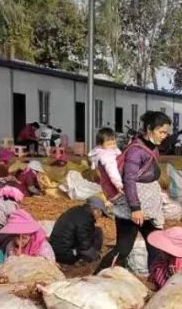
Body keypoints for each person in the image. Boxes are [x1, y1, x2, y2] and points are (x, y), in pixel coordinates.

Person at [96, 110, 171, 273]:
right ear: (149, 129)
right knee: (123, 249)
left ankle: (156, 279)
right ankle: (96, 276)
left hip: (149, 208)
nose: (164, 136)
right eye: (161, 132)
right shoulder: (136, 151)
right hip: (132, 208)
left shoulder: (152, 148)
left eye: (166, 133)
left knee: (155, 244)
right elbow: (129, 180)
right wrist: (136, 208)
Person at [49, 197, 107, 265]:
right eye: (101, 213)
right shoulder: (86, 219)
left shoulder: (76, 210)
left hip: (54, 249)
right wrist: (95, 255)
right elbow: (85, 245)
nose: (100, 216)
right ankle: (84, 259)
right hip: (66, 254)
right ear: (95, 210)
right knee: (97, 234)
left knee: (96, 230)